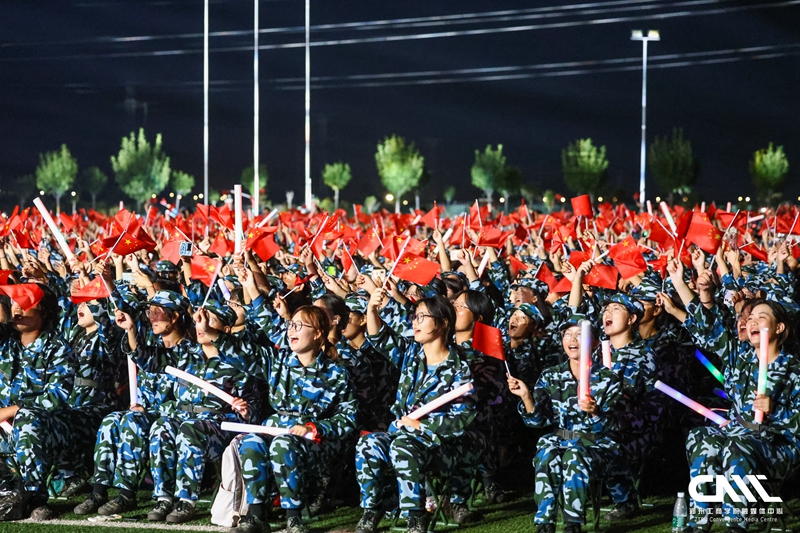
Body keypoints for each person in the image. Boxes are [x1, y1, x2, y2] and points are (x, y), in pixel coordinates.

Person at [221, 303, 356, 533]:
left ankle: (294, 517)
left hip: (314, 445)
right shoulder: (279, 362)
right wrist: (214, 334)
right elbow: (241, 354)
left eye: (299, 325)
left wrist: (313, 427)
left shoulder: (336, 374)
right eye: (291, 324)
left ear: (317, 333)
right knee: (252, 441)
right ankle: (256, 516)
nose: (291, 330)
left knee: (284, 444)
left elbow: (348, 418)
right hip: (276, 433)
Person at [354, 292, 475, 533]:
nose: (415, 322)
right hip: (401, 434)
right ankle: (372, 509)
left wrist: (422, 426)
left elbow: (462, 418)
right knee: (368, 445)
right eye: (414, 317)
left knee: (403, 446)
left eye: (422, 317)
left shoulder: (460, 368)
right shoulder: (411, 354)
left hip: (439, 445)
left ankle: (415, 516)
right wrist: (371, 309)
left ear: (443, 324)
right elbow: (378, 336)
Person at [685, 300, 800, 532]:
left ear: (779, 328)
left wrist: (775, 409)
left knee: (738, 446)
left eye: (762, 316)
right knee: (701, 438)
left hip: (779, 446)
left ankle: (736, 524)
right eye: (750, 318)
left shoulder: (794, 369)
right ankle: (699, 521)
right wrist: (688, 288)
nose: (752, 321)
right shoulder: (740, 358)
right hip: (739, 434)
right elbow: (708, 330)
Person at [507, 314, 622, 533]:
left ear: (594, 342)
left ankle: (573, 524)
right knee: (546, 453)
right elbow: (537, 421)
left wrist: (595, 412)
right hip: (560, 440)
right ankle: (544, 524)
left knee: (574, 455)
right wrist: (526, 397)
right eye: (567, 334)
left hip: (596, 444)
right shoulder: (551, 376)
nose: (573, 339)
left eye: (580, 334)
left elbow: (614, 426)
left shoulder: (608, 379)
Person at [0, 283, 75, 521]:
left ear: (43, 311)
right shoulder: (5, 342)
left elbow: (56, 398)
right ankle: (7, 491)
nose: (17, 310)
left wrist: (10, 411)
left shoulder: (57, 347)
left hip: (48, 427)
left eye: (24, 304)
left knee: (27, 418)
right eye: (14, 303)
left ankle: (36, 497)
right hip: (5, 424)